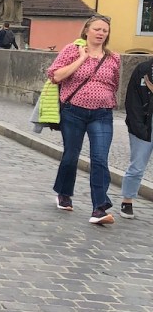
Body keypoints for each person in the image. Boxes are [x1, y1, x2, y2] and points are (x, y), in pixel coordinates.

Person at [49, 14, 121, 224]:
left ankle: (99, 208)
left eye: (105, 31)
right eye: (97, 29)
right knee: (71, 155)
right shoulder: (72, 50)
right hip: (73, 112)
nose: (101, 33)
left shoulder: (113, 57)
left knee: (100, 159)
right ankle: (64, 193)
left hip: (102, 113)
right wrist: (81, 59)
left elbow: (114, 84)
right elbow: (55, 76)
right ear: (87, 31)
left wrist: (105, 99)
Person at [119, 57, 153, 220]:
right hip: (143, 124)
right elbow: (132, 100)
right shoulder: (143, 69)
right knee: (137, 166)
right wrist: (137, 125)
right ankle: (127, 201)